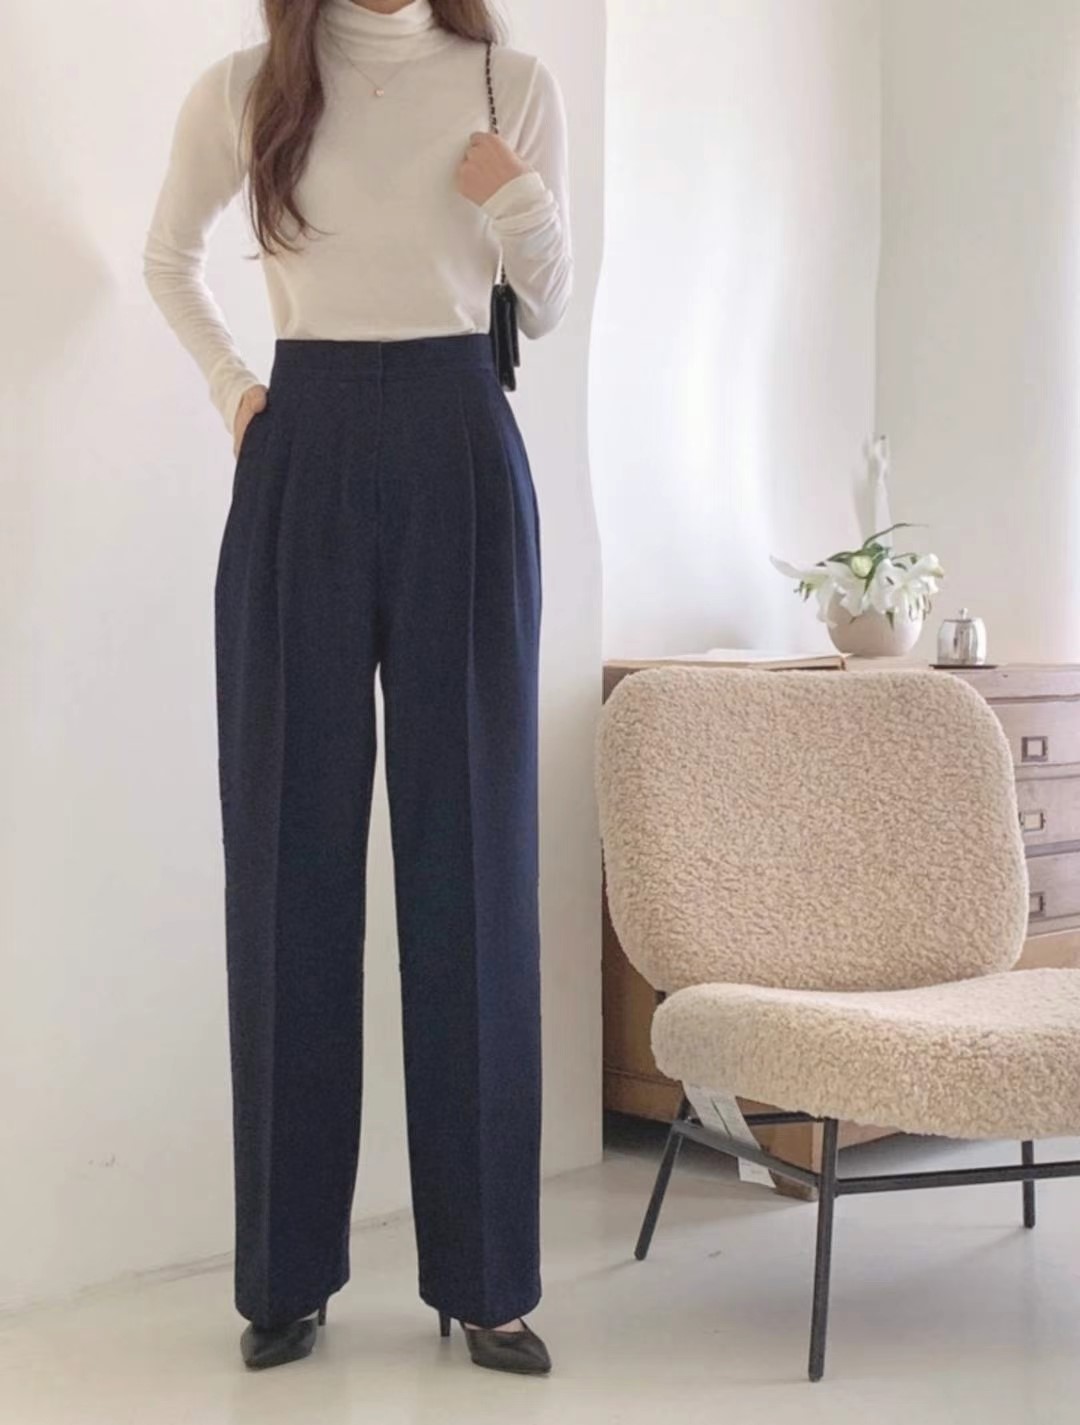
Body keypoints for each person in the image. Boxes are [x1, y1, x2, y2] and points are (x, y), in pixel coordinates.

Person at [142, 0, 571, 1375]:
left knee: (475, 864)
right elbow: (167, 257)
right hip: (303, 447)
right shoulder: (248, 86)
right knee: (289, 855)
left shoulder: (509, 79)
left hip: (462, 446)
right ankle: (286, 1273)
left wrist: (515, 200)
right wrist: (234, 390)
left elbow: (549, 301)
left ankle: (487, 1277)